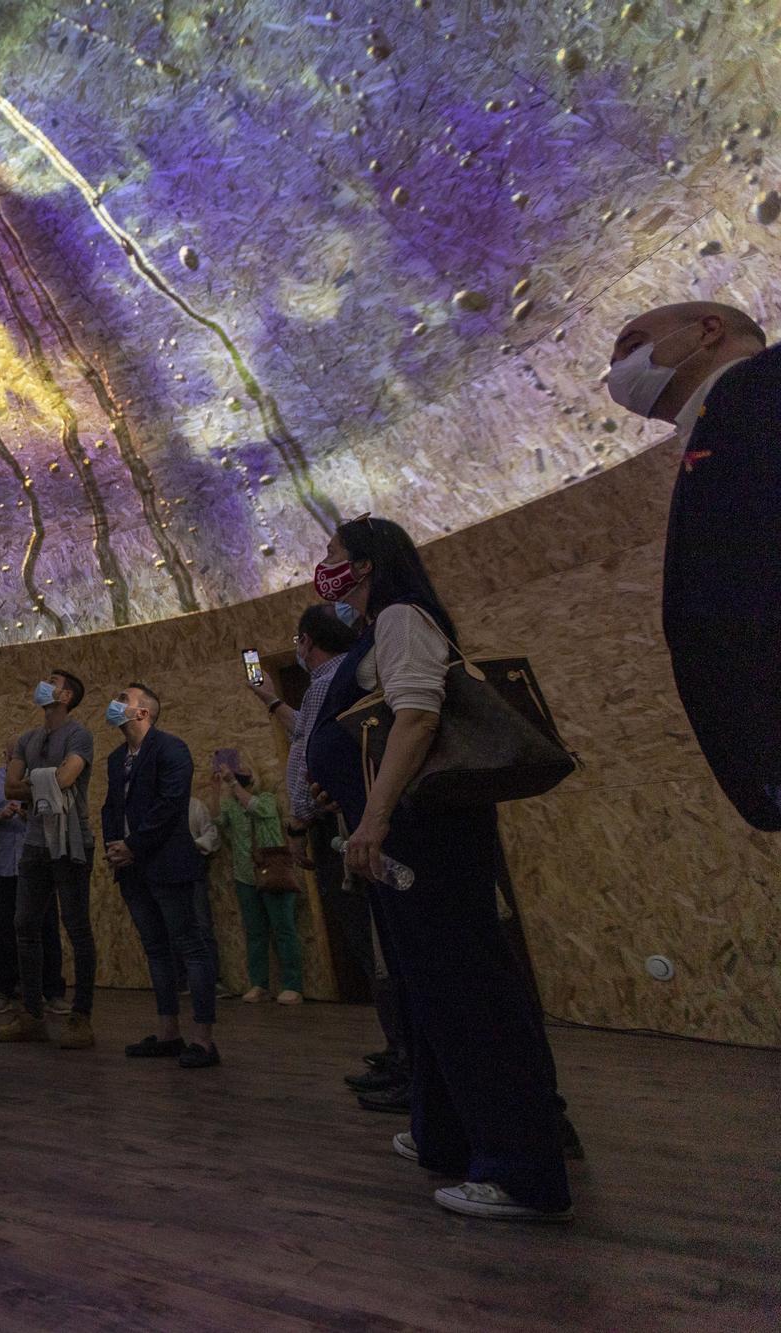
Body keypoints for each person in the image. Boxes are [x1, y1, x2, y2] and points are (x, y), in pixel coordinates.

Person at [306, 515, 572, 1220]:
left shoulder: (400, 617)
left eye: (333, 555)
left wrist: (374, 815)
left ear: (365, 565)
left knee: (467, 990)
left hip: (425, 838)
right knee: (430, 994)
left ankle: (522, 1168)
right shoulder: (375, 629)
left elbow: (417, 719)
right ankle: (449, 1135)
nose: (323, 565)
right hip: (401, 840)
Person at [605, 301, 779, 831]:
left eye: (633, 346)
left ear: (707, 331)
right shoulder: (713, 426)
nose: (618, 371)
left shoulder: (763, 385)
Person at [249, 606, 389, 1086]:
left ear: (307, 642)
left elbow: (313, 761)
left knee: (376, 947)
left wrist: (296, 827)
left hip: (345, 829)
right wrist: (270, 701)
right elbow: (305, 732)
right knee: (374, 945)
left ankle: (407, 1054)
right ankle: (401, 1049)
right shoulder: (328, 685)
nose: (296, 650)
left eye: (297, 641)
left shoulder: (334, 679)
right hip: (339, 825)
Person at [102, 683, 219, 1069]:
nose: (114, 704)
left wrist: (133, 845)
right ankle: (169, 1032)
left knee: (190, 946)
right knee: (156, 949)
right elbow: (110, 808)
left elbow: (170, 806)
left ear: (143, 713)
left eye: (123, 699)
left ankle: (203, 1040)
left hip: (166, 864)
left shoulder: (172, 749)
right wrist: (113, 846)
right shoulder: (116, 758)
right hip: (132, 869)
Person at [0, 669, 98, 1049]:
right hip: (35, 843)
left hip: (71, 842)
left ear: (67, 696)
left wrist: (36, 782)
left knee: (77, 926)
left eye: (52, 682)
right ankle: (32, 1015)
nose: (42, 684)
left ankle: (81, 1016)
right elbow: (9, 786)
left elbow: (68, 777)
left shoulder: (79, 735)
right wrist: (46, 780)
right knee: (25, 925)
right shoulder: (27, 738)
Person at [0, 748, 62, 1016]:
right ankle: (3, 990)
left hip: (36, 865)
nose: (15, 760)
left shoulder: (43, 779)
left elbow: (57, 812)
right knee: (1, 928)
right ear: (6, 756)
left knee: (46, 927)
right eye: (12, 755)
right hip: (0, 866)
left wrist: (29, 815)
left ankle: (51, 990)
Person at [212, 754, 301, 1005]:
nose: (237, 771)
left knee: (284, 929)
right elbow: (218, 820)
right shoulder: (232, 805)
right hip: (245, 876)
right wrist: (216, 789)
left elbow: (253, 807)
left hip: (273, 871)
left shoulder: (267, 800)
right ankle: (259, 983)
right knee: (255, 932)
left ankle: (293, 984)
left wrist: (233, 783)